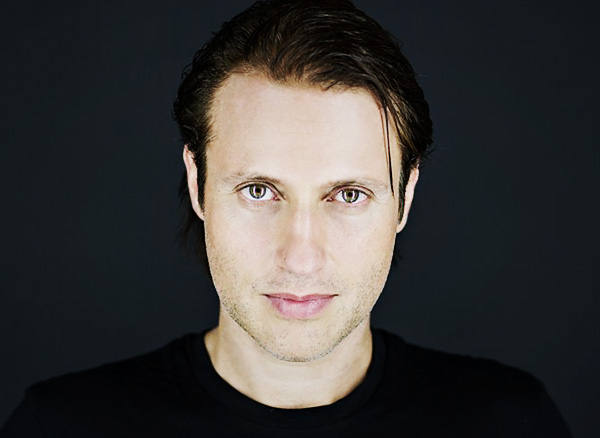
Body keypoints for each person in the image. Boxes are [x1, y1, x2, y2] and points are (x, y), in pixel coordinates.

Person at [1, 0, 571, 436]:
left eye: (348, 195)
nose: (300, 258)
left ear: (406, 197)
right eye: (259, 191)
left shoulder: (509, 422)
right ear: (198, 185)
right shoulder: (61, 426)